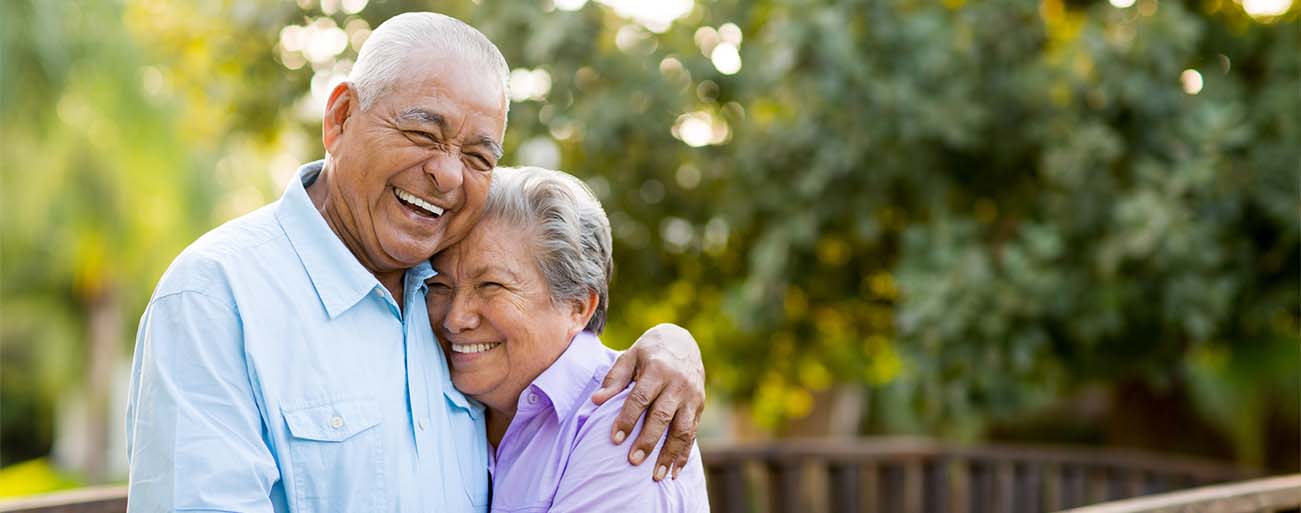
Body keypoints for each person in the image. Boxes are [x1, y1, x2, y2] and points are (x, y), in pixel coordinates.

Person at [126, 12, 705, 513]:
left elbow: (558, 350)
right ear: (341, 117)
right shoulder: (217, 297)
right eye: (423, 132)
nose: (448, 174)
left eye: (478, 156)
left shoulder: (447, 304)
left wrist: (671, 343)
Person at [427, 166, 710, 512]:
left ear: (578, 306)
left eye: (491, 286)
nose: (456, 319)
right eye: (439, 287)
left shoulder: (629, 416)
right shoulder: (443, 394)